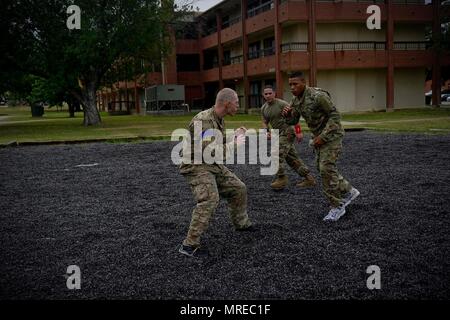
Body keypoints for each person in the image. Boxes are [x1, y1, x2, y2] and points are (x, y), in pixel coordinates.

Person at [178, 88, 253, 257]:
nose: (238, 106)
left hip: (211, 165)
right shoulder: (203, 120)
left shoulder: (218, 118)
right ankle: (189, 244)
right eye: (237, 103)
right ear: (227, 104)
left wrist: (235, 135)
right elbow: (212, 151)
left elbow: (218, 141)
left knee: (238, 188)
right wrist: (237, 144)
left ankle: (241, 223)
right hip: (196, 165)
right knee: (210, 199)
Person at [281, 71, 360, 221]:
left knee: (325, 168)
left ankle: (337, 206)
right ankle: (349, 191)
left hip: (332, 136)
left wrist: (323, 137)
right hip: (318, 138)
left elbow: (335, 116)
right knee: (323, 168)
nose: (292, 87)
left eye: (295, 84)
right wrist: (287, 116)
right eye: (290, 84)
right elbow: (293, 121)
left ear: (304, 83)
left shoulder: (318, 96)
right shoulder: (295, 100)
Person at [260, 85, 316, 190]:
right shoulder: (264, 108)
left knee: (275, 154)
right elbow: (264, 122)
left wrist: (298, 132)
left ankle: (281, 178)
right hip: (278, 135)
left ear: (274, 93)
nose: (268, 95)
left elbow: (294, 118)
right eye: (266, 94)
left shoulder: (282, 104)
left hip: (288, 132)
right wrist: (265, 132)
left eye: (270, 93)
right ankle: (309, 179)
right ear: (263, 95)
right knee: (292, 159)